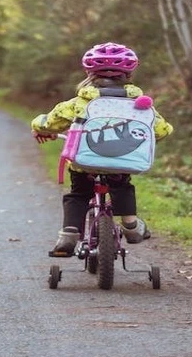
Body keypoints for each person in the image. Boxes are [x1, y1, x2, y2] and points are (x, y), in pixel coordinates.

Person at [31, 42, 173, 255]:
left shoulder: (79, 103)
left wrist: (39, 127)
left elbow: (50, 122)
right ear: (129, 73)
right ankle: (131, 225)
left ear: (89, 72)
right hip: (122, 164)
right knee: (123, 186)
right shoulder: (140, 104)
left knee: (78, 194)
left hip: (84, 164)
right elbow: (162, 130)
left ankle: (69, 236)